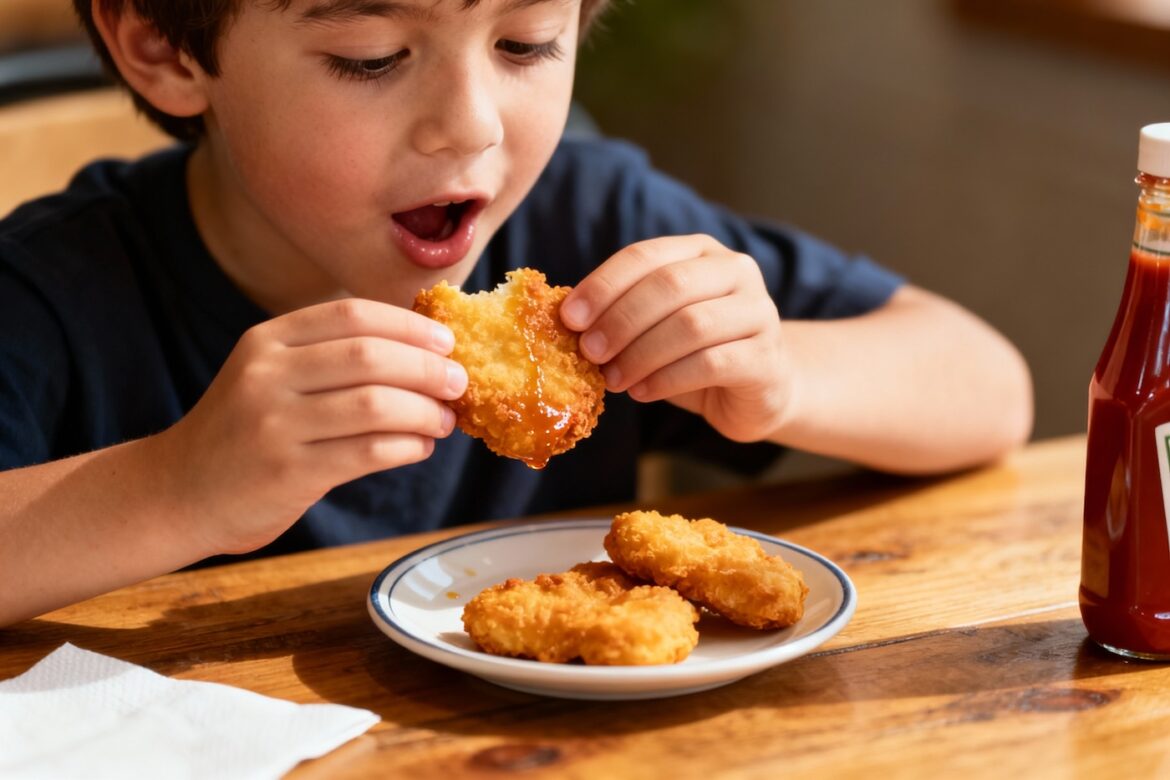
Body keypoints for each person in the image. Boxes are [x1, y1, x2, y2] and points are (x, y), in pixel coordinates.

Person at [0, 0, 1033, 627]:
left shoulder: (594, 223)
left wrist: (783, 379)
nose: (471, 126)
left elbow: (989, 387)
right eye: (372, 55)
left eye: (527, 42)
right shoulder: (51, 292)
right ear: (163, 45)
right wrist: (176, 487)